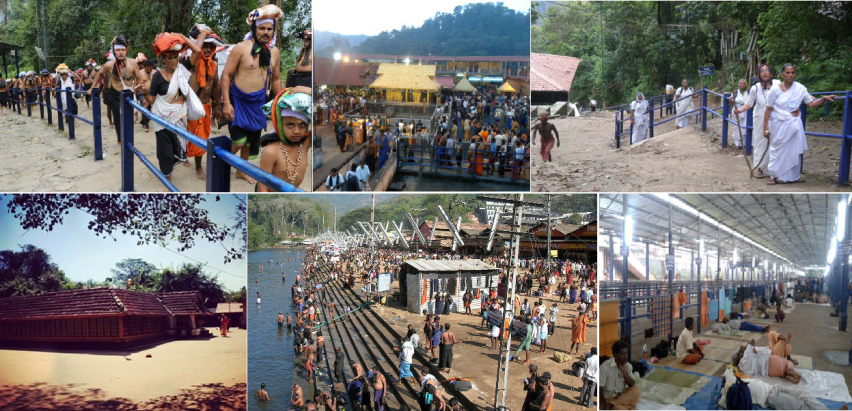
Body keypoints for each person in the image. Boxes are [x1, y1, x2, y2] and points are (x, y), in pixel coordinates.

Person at [221, 5, 285, 185]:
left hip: (259, 101)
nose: (265, 32)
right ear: (254, 28)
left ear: (273, 30)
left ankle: (241, 170)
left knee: (251, 141)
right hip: (238, 100)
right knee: (239, 141)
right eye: (262, 28)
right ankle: (219, 158)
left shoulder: (274, 52)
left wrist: (279, 101)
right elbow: (225, 75)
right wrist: (227, 102)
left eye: (269, 28)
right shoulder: (241, 48)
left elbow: (276, 79)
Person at [145, 33, 203, 187]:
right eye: (169, 58)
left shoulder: (183, 70)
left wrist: (183, 37)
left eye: (175, 57)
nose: (173, 61)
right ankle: (168, 180)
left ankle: (171, 167)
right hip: (161, 117)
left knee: (178, 146)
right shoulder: (157, 77)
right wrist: (144, 92)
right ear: (163, 59)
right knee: (164, 151)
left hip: (180, 117)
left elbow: (197, 51)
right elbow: (151, 99)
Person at [764, 63, 836, 184]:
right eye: (788, 72)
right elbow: (768, 109)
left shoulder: (800, 88)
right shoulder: (775, 90)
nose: (790, 75)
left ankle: (794, 176)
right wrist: (764, 128)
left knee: (793, 149)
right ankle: (773, 175)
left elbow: (811, 103)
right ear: (782, 74)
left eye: (793, 72)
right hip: (778, 124)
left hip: (794, 123)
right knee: (776, 148)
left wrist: (823, 99)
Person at [185, 25, 224, 180]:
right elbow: (196, 49)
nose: (207, 50)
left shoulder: (213, 65)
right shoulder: (193, 62)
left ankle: (194, 161)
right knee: (195, 137)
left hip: (206, 105)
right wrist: (203, 35)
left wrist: (218, 108)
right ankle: (199, 167)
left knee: (202, 136)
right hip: (192, 105)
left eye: (210, 47)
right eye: (205, 46)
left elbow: (215, 86)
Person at [89, 35, 144, 143]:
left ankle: (128, 139)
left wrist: (140, 87)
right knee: (117, 117)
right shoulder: (109, 65)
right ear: (114, 51)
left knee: (129, 117)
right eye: (118, 50)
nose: (120, 52)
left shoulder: (132, 63)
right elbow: (99, 74)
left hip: (128, 93)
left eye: (123, 50)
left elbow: (139, 78)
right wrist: (93, 87)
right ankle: (120, 138)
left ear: (126, 50)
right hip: (115, 94)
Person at [257, 89, 312, 191]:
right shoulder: (271, 151)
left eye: (302, 125)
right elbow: (262, 189)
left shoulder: (305, 143)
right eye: (290, 125)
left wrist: (301, 88)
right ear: (279, 125)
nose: (297, 131)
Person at [601, 340, 641, 410]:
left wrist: (624, 372)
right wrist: (604, 405)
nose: (625, 356)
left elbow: (632, 384)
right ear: (615, 355)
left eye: (626, 353)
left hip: (621, 396)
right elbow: (600, 388)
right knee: (620, 408)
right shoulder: (605, 366)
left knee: (637, 390)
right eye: (622, 354)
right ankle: (625, 406)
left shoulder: (628, 366)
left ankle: (615, 405)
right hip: (608, 398)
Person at [728, 79, 749, 147]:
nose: (742, 85)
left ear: (746, 84)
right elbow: (731, 103)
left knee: (744, 128)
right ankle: (737, 144)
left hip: (745, 112)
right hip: (736, 111)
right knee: (737, 127)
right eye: (740, 83)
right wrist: (730, 99)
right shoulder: (735, 92)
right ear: (738, 84)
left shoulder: (749, 92)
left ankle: (744, 144)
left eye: (743, 83)